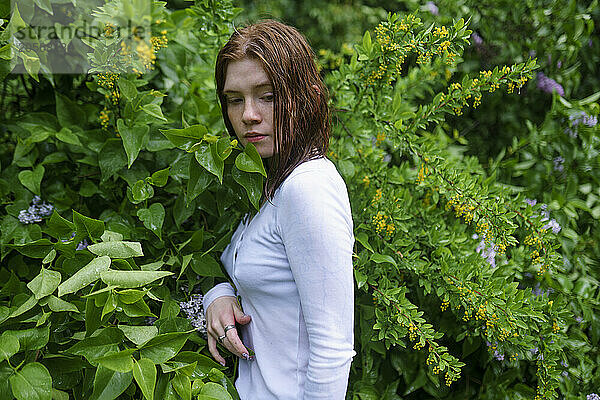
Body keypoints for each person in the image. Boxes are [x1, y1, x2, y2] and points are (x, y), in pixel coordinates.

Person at [202, 19, 355, 400]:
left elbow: (333, 350)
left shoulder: (308, 188)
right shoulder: (272, 183)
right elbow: (262, 286)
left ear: (301, 97)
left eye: (266, 96)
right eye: (235, 99)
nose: (248, 115)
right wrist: (217, 296)